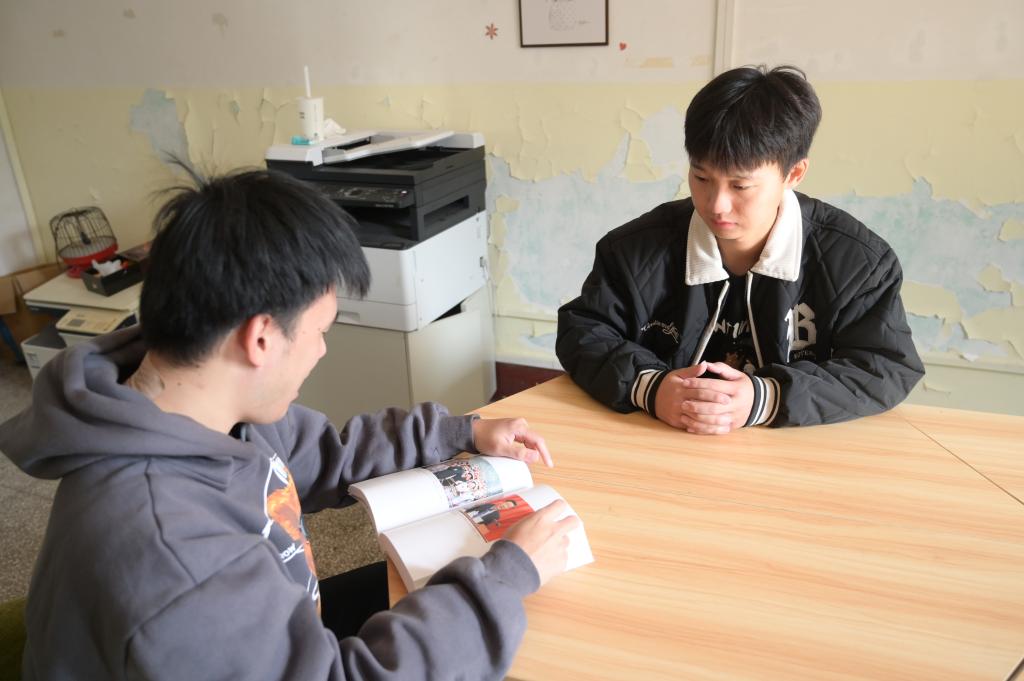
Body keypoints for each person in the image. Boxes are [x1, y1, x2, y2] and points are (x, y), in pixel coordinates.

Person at [0, 167, 579, 680]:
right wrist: (506, 576)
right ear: (260, 338)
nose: (322, 350)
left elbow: (328, 453)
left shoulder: (203, 407)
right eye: (321, 331)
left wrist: (462, 434)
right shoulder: (175, 556)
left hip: (272, 623)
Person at [556, 65, 924, 434]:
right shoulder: (631, 250)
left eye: (740, 186)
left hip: (793, 451)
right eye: (701, 177)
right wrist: (649, 388)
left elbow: (885, 367)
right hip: (659, 441)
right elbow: (583, 332)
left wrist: (768, 397)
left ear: (794, 174)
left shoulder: (859, 262)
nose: (716, 204)